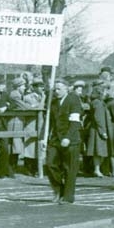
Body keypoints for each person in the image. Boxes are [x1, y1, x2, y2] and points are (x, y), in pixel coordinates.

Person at [44, 76, 83, 204]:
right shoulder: (53, 102)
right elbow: (48, 122)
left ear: (66, 89)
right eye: (55, 89)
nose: (56, 92)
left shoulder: (73, 100)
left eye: (59, 89)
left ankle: (68, 196)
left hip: (70, 139)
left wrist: (67, 137)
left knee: (69, 168)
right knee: (50, 164)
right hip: (55, 139)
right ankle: (58, 188)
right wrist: (42, 139)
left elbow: (75, 121)